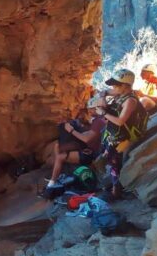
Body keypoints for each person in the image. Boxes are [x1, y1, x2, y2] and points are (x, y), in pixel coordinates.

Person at [96, 69, 148, 199]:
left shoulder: (130, 101)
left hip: (123, 137)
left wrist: (103, 113)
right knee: (109, 159)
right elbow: (105, 92)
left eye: (116, 85)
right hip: (114, 133)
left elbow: (120, 121)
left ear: (125, 86)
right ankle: (114, 184)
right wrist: (103, 96)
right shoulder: (120, 92)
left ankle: (116, 192)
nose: (113, 87)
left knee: (115, 163)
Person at [46, 97, 106, 189]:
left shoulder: (98, 122)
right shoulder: (99, 120)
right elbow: (88, 134)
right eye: (89, 109)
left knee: (60, 156)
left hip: (92, 153)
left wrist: (71, 131)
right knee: (58, 147)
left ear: (97, 108)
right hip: (91, 148)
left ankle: (52, 183)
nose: (89, 111)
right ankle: (60, 175)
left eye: (91, 109)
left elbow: (86, 139)